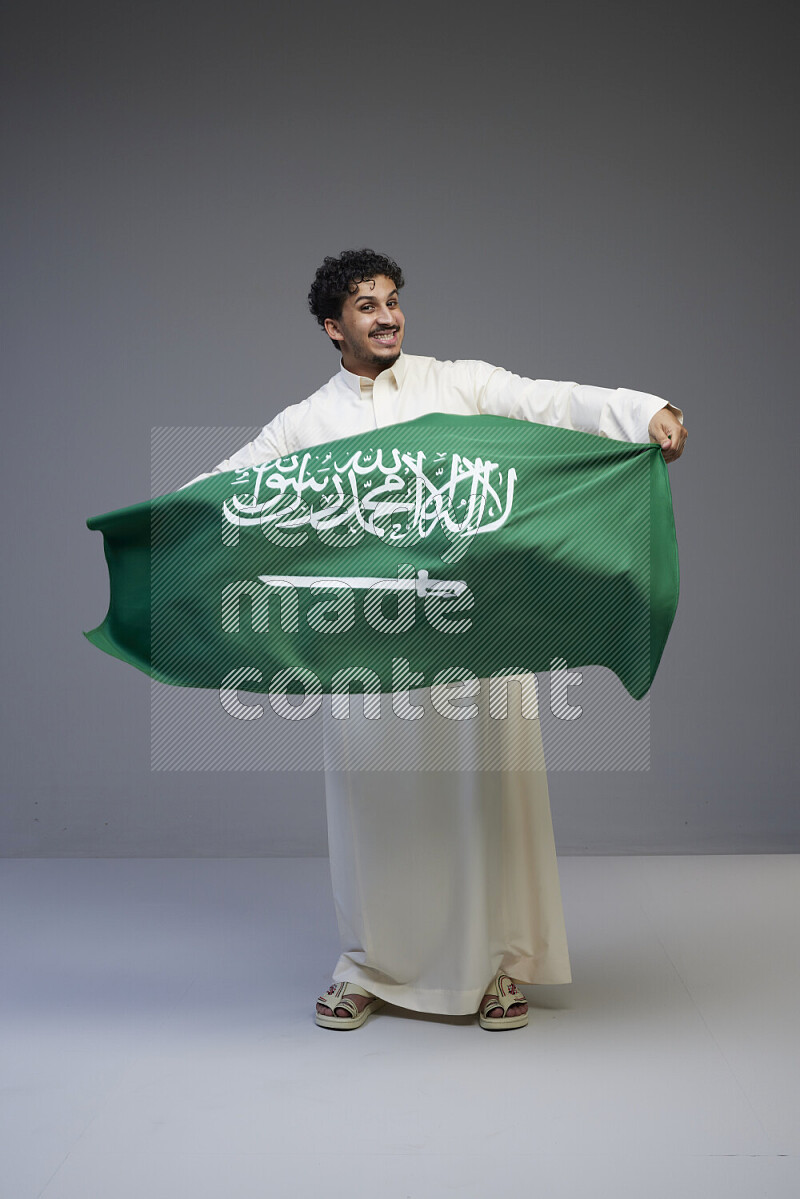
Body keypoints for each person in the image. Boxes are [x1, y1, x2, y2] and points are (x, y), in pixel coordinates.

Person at [186, 249, 687, 1030]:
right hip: (368, 644)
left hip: (473, 632)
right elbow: (227, 492)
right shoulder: (305, 424)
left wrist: (640, 411)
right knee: (375, 807)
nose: (386, 316)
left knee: (484, 797)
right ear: (331, 326)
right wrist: (153, 530)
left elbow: (547, 402)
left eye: (392, 301)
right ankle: (369, 964)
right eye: (365, 305)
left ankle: (497, 968)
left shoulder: (456, 383)